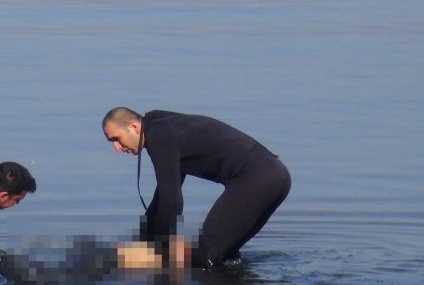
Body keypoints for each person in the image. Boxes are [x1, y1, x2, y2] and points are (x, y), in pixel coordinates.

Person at [101, 107, 291, 268]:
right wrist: (145, 240)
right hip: (276, 176)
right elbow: (163, 196)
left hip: (257, 180)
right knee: (224, 255)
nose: (117, 148)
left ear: (133, 127)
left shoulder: (159, 135)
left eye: (116, 139)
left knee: (204, 258)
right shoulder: (162, 126)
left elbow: (172, 201)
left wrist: (159, 252)